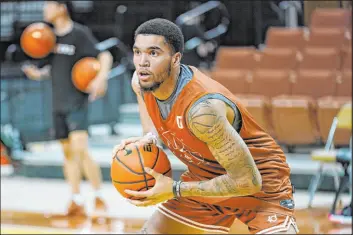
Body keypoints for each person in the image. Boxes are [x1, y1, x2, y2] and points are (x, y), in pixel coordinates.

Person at [113, 18, 298, 234]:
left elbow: (248, 181)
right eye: (137, 52)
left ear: (175, 59)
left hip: (261, 187)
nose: (142, 61)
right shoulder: (142, 82)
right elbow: (154, 126)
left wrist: (174, 189)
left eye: (153, 53)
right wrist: (149, 140)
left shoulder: (202, 111)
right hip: (206, 179)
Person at [21, 1, 113, 217]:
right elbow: (54, 68)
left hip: (77, 100)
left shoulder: (79, 34)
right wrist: (38, 74)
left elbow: (105, 55)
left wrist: (101, 78)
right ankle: (75, 199)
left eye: (49, 5)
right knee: (68, 153)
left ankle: (99, 196)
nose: (45, 10)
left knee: (80, 149)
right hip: (58, 102)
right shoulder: (48, 38)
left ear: (61, 8)